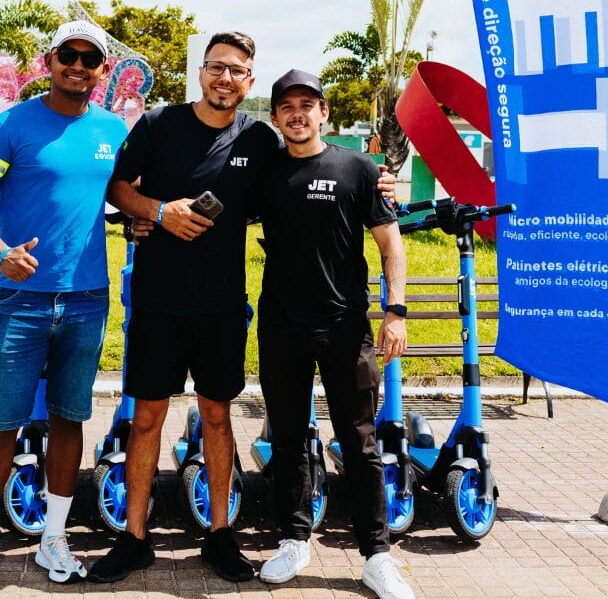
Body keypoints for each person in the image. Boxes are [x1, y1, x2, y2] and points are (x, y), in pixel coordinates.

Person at [92, 33, 395, 584]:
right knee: (145, 420)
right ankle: (134, 538)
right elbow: (117, 188)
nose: (225, 78)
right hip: (158, 300)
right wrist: (157, 211)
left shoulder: (258, 139)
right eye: (216, 67)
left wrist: (378, 180)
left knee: (216, 415)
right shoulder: (160, 123)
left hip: (222, 305)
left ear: (249, 82)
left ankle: (220, 534)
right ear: (202, 73)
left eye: (237, 71)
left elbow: (314, 170)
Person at [0, 20, 126, 597]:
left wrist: (157, 215)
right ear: (50, 60)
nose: (78, 65)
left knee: (70, 418)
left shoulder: (111, 130)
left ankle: (54, 538)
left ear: (103, 71)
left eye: (89, 58)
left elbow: (125, 192)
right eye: (67, 55)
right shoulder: (11, 126)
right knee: (0, 423)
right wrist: (0, 253)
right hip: (20, 300)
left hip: (86, 299)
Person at [253, 70, 414, 599]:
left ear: (324, 113)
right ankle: (294, 539)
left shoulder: (359, 168)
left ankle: (376, 554)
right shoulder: (264, 171)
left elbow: (392, 246)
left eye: (308, 105)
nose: (297, 114)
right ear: (275, 118)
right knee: (290, 438)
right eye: (287, 107)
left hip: (346, 326)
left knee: (360, 441)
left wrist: (396, 311)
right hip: (281, 326)